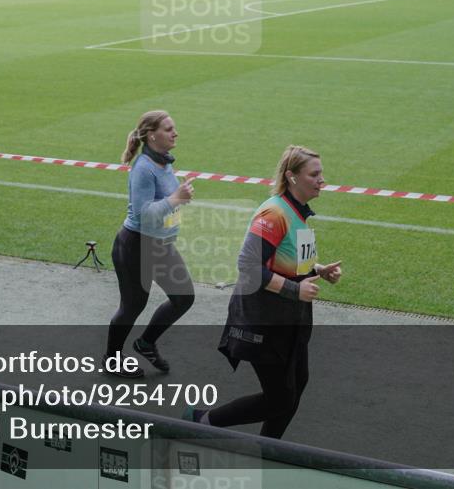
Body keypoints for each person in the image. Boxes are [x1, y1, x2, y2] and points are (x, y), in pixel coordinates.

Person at [187, 145, 341, 439]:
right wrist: (296, 290)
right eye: (315, 174)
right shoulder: (274, 213)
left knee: (297, 384)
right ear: (292, 177)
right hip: (263, 318)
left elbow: (284, 257)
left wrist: (318, 269)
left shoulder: (296, 211)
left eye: (321, 173)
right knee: (280, 397)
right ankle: (200, 421)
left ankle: (269, 448)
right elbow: (247, 265)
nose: (322, 180)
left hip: (288, 317)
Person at [104, 110, 196, 379]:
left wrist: (177, 200)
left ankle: (145, 343)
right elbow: (144, 215)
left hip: (160, 245)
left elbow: (165, 206)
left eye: (173, 128)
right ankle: (111, 360)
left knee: (183, 297)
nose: (175, 133)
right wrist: (176, 199)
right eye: (169, 129)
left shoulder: (164, 162)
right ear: (152, 135)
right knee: (133, 305)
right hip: (135, 245)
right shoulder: (143, 168)